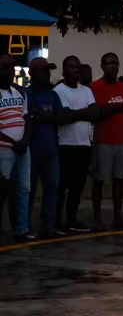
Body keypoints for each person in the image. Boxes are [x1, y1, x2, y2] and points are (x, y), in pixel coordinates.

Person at [54, 55, 98, 235]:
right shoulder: (58, 90)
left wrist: (78, 114)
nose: (76, 70)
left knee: (78, 185)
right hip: (65, 144)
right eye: (72, 67)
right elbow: (63, 116)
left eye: (78, 67)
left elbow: (95, 112)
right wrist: (84, 113)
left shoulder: (86, 90)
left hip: (84, 144)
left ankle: (72, 220)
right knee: (62, 184)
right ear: (63, 70)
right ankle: (57, 220)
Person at [90, 52, 123, 230]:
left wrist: (112, 109)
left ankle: (117, 218)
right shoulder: (95, 87)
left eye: (116, 63)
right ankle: (97, 219)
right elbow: (97, 113)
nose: (114, 66)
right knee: (99, 180)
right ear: (102, 66)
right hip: (103, 141)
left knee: (120, 180)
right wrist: (117, 107)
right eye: (109, 63)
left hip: (122, 140)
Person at [25, 57, 63, 238]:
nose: (48, 74)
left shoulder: (53, 94)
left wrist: (43, 116)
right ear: (33, 74)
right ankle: (24, 225)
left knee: (52, 187)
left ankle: (48, 225)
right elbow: (29, 117)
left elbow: (60, 117)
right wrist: (43, 117)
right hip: (31, 150)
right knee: (29, 189)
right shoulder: (26, 94)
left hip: (51, 148)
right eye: (44, 71)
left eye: (48, 71)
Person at [0, 53, 34, 241]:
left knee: (23, 188)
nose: (11, 71)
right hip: (4, 149)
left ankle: (22, 228)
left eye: (12, 68)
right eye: (6, 67)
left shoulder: (20, 91)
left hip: (22, 148)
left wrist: (25, 140)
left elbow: (26, 117)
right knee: (2, 189)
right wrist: (14, 143)